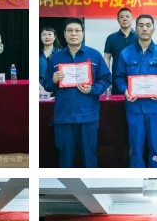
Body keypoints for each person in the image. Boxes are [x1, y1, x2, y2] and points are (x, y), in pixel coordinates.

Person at [43, 18, 111, 168]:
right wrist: (53, 80)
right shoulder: (55, 58)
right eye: (70, 31)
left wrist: (92, 89)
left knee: (89, 156)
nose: (73, 34)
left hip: (88, 115)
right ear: (64, 34)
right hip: (64, 116)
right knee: (65, 157)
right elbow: (47, 85)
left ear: (83, 33)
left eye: (77, 30)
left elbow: (106, 79)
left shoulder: (94, 55)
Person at [115, 14, 157, 168]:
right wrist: (125, 90)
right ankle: (136, 177)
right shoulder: (125, 53)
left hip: (156, 108)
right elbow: (119, 77)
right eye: (141, 25)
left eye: (148, 25)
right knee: (135, 146)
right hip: (134, 108)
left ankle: (155, 175)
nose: (144, 28)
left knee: (156, 146)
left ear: (153, 29)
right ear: (136, 29)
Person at [103, 8, 138, 91]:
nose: (124, 19)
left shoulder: (139, 37)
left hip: (137, 78)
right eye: (121, 17)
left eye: (127, 16)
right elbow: (107, 58)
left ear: (132, 18)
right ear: (118, 20)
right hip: (117, 78)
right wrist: (107, 77)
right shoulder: (111, 38)